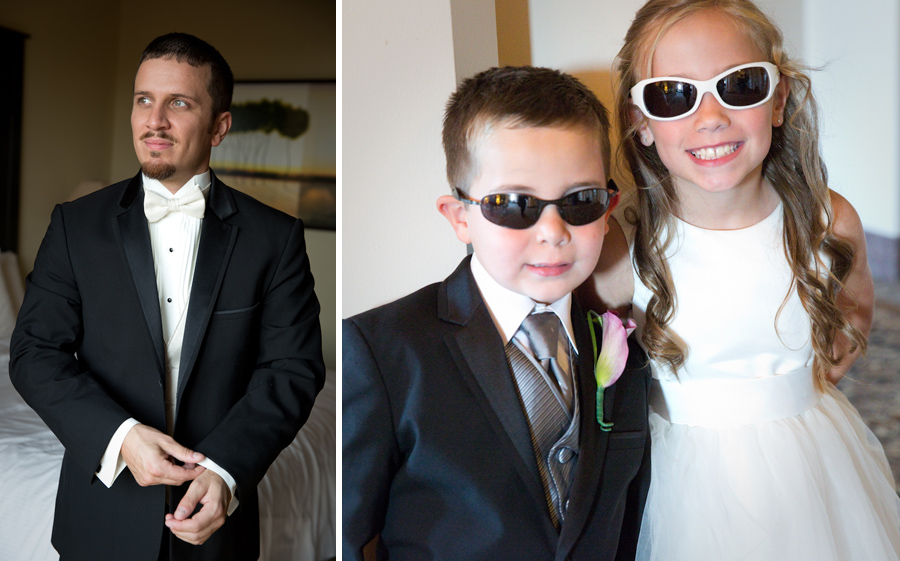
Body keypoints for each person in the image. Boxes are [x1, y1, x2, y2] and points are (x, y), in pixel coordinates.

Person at [580, 0, 900, 559]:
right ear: (641, 122)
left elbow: (850, 324)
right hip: (678, 483)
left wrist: (784, 393)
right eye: (673, 95)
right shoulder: (621, 245)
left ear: (777, 101)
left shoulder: (827, 222)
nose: (710, 117)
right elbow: (598, 369)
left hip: (811, 461)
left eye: (740, 86)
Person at [9, 33, 325, 561]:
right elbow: (34, 353)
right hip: (99, 516)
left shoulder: (275, 238)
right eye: (143, 100)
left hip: (215, 523)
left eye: (178, 103)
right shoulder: (74, 226)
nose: (154, 121)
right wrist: (121, 437)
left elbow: (292, 368)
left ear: (219, 126)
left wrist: (225, 470)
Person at [343, 66, 652, 561]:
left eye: (580, 201)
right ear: (460, 217)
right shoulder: (381, 350)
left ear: (608, 207)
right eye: (514, 204)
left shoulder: (624, 351)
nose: (553, 232)